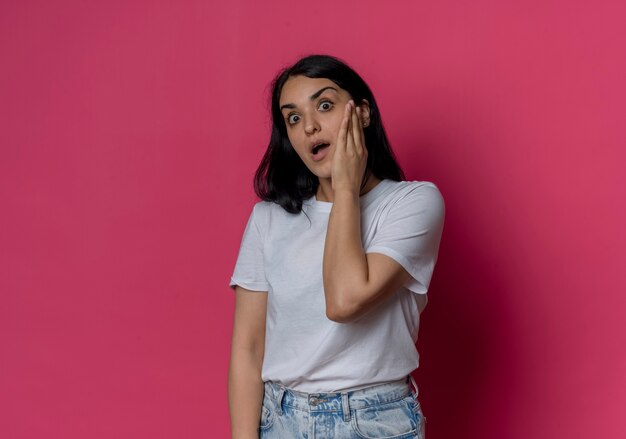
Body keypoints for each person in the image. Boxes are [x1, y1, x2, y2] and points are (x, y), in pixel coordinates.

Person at [228, 54, 445, 439]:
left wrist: (345, 185)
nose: (309, 126)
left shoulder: (412, 203)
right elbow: (248, 347)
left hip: (374, 420)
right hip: (280, 420)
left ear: (362, 112)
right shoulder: (269, 219)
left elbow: (344, 300)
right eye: (293, 117)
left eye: (324, 105)